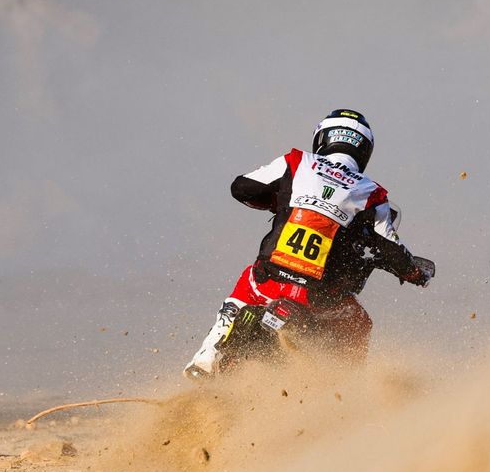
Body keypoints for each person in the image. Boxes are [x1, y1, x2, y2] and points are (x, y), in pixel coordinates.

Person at [183, 108, 434, 379]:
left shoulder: (296, 162)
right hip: (319, 300)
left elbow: (242, 187)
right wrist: (414, 272)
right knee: (360, 323)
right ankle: (344, 388)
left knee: (247, 285)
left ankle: (205, 360)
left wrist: (281, 201)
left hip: (269, 281)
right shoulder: (372, 194)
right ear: (364, 151)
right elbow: (391, 249)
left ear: (322, 138)